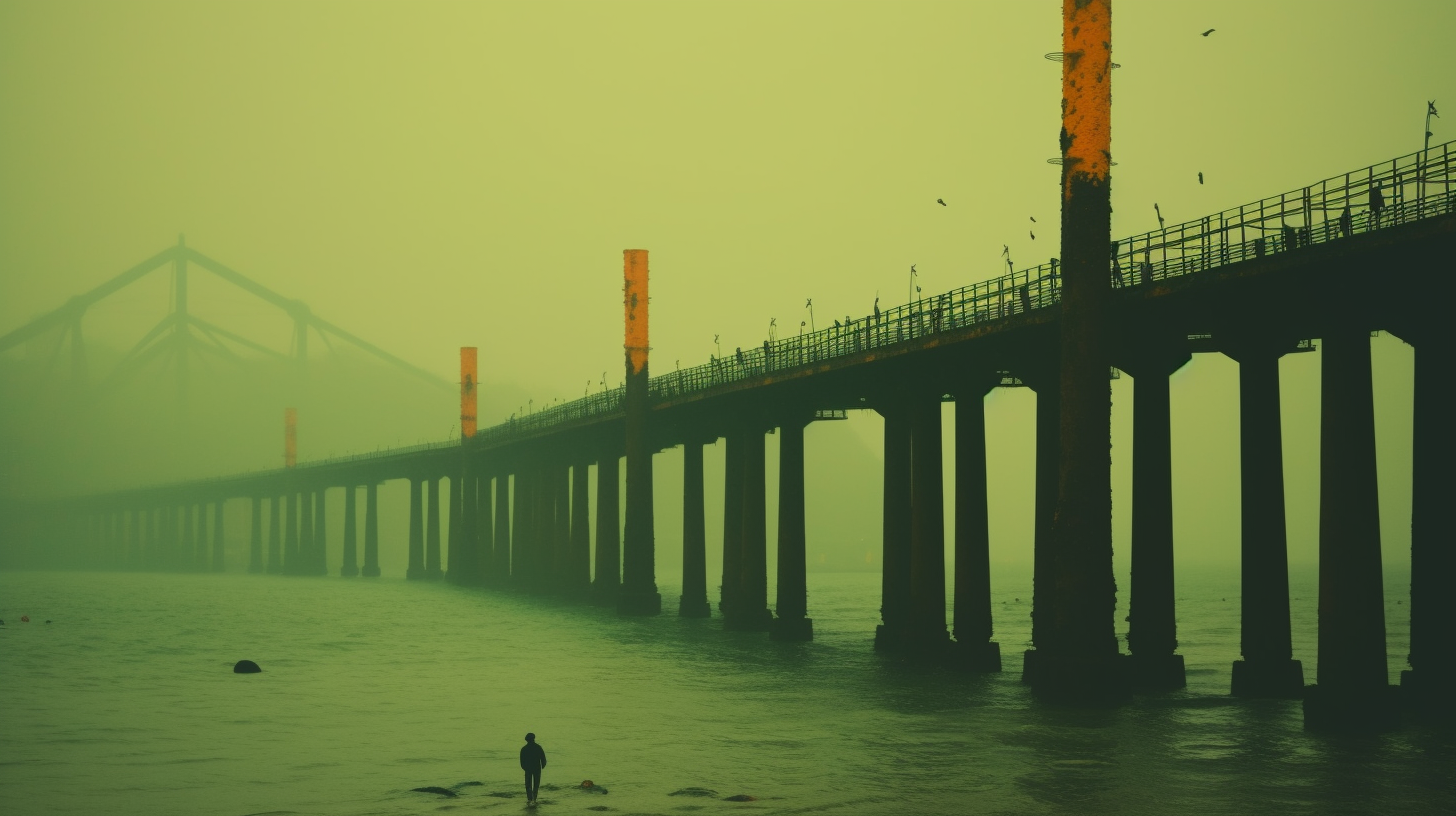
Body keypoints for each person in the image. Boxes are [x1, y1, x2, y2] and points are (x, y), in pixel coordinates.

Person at [520, 732, 547, 805]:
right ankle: (534, 799)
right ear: (533, 739)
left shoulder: (524, 749)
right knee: (536, 785)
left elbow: (522, 762)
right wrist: (543, 766)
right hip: (537, 768)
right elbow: (543, 758)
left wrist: (525, 768)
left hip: (528, 769)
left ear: (527, 740)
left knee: (528, 785)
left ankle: (529, 799)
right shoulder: (538, 747)